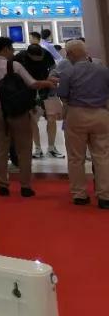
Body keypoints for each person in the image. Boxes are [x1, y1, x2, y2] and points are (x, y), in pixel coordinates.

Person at [0, 36, 57, 197]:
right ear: (5, 49)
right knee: (24, 148)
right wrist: (48, 83)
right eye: (12, 49)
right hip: (18, 111)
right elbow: (32, 84)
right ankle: (25, 186)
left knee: (1, 149)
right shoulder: (14, 65)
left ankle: (2, 184)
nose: (13, 52)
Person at [57, 39, 109, 208]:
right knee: (102, 156)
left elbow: (63, 95)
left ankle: (79, 194)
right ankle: (105, 196)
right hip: (101, 113)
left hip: (76, 114)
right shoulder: (103, 70)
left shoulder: (68, 72)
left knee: (76, 157)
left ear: (70, 54)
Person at [18, 44, 63, 159]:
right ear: (29, 55)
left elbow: (53, 69)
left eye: (41, 57)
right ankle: (37, 148)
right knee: (32, 121)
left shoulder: (46, 54)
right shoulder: (20, 57)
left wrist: (51, 78)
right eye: (36, 58)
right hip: (29, 92)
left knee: (52, 119)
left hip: (49, 91)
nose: (39, 60)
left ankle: (51, 148)